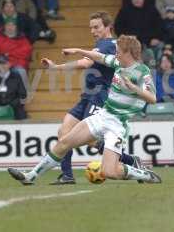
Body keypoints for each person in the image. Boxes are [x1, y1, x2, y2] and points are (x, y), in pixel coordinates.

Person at [8, 35, 162, 185]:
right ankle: (31, 176)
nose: (116, 54)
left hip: (117, 125)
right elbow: (99, 57)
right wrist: (76, 51)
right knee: (64, 142)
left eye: (118, 51)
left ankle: (144, 174)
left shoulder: (142, 71)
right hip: (102, 117)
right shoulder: (117, 63)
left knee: (109, 172)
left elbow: (153, 98)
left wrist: (134, 88)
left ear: (128, 52)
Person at [32, 12, 146, 185]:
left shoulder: (107, 44)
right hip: (88, 95)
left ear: (108, 27)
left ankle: (130, 161)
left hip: (100, 96)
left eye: (97, 27)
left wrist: (56, 68)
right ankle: (67, 175)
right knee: (64, 132)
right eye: (91, 27)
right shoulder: (104, 44)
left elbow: (85, 63)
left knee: (88, 138)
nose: (93, 31)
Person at [0, 54, 27, 120]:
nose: (2, 66)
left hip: (15, 108)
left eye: (4, 63)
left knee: (21, 114)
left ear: (9, 64)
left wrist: (10, 106)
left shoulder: (17, 77)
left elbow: (22, 95)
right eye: (0, 64)